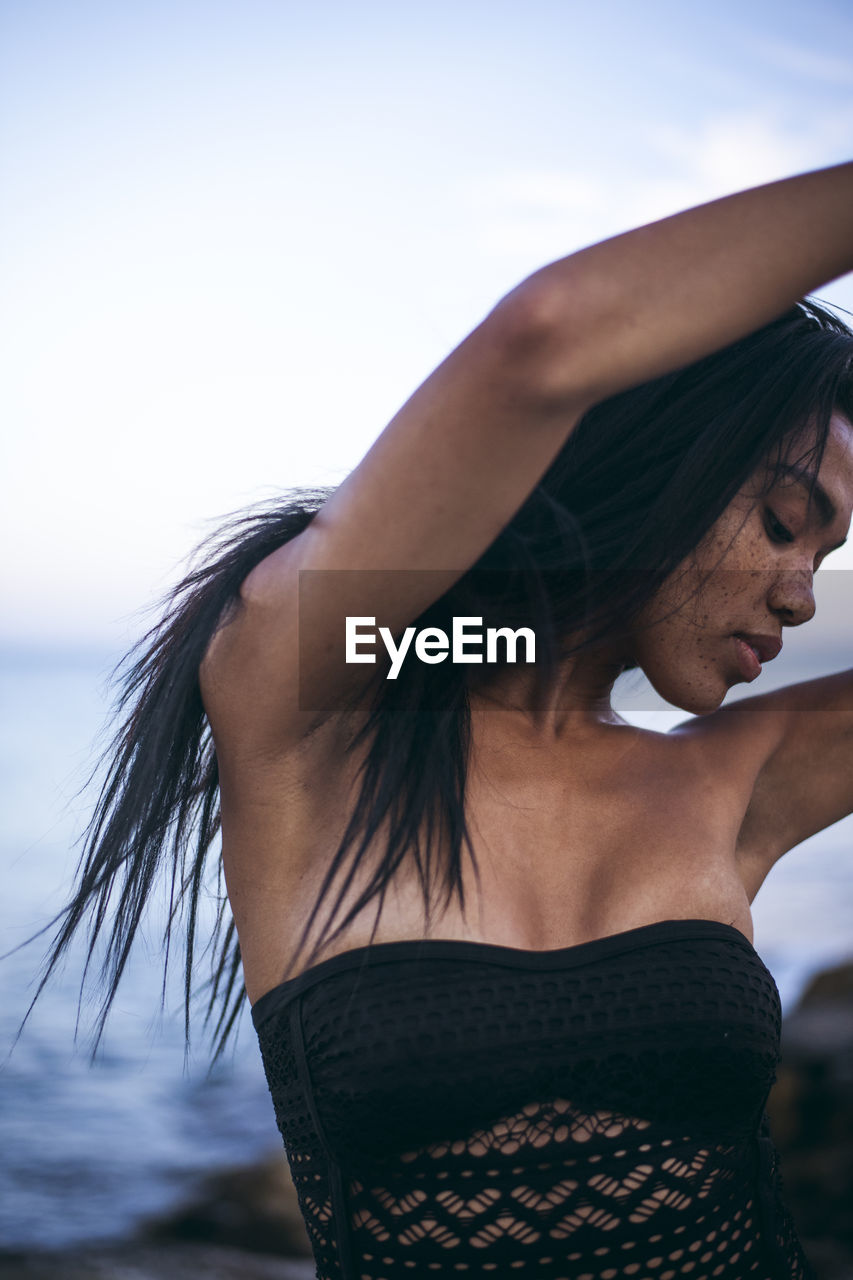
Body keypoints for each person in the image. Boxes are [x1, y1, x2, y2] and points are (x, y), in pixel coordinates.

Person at [25, 162, 853, 1279]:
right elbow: (544, 339)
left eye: (826, 555)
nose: (803, 591)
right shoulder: (316, 715)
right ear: (664, 461)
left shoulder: (739, 775)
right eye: (782, 520)